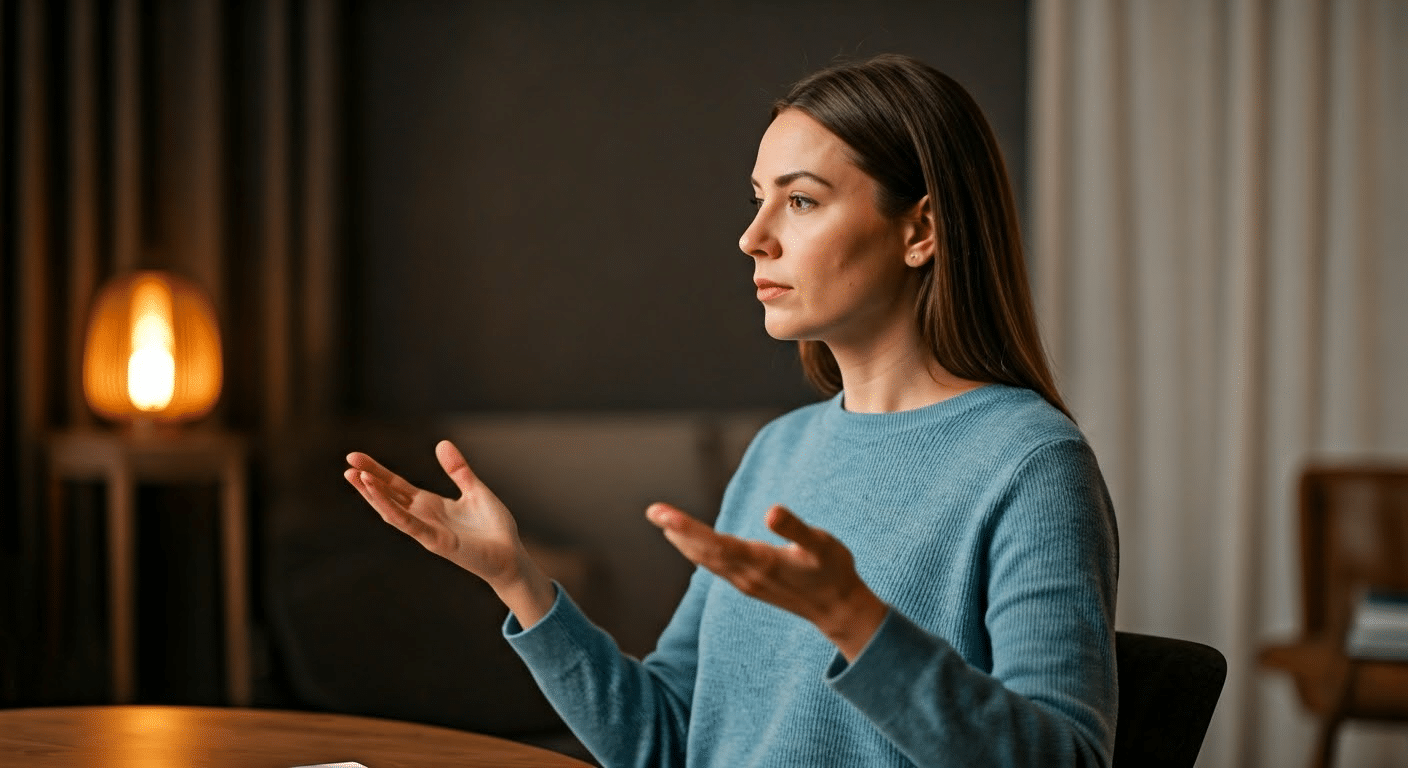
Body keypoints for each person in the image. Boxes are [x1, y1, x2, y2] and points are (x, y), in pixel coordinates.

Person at [345, 53, 1118, 768]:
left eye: (802, 201)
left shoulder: (1027, 461)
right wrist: (517, 581)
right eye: (758, 201)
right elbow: (664, 740)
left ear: (919, 230)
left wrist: (856, 622)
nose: (754, 239)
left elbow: (1068, 758)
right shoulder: (779, 451)